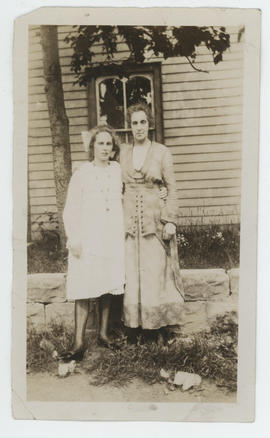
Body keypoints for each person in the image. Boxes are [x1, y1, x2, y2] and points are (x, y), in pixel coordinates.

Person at [60, 125, 125, 361]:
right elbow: (71, 210)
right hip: (87, 238)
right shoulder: (82, 174)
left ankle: (104, 335)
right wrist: (74, 238)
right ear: (92, 147)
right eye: (100, 143)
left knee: (108, 285)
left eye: (109, 144)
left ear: (113, 148)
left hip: (111, 238)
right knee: (84, 287)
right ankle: (78, 343)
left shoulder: (117, 170)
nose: (105, 148)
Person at [120, 102, 185, 332]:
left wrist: (170, 220)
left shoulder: (161, 152)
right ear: (130, 126)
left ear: (149, 124)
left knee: (155, 271)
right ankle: (134, 327)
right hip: (129, 223)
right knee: (133, 273)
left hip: (154, 222)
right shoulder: (124, 153)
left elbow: (172, 188)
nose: (139, 127)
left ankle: (156, 327)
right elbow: (118, 187)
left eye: (143, 122)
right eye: (134, 123)